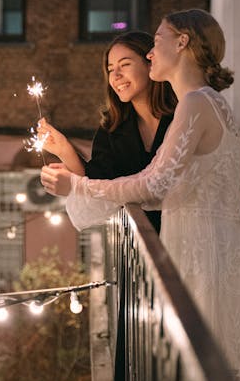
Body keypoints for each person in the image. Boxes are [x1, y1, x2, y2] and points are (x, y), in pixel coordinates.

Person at [41, 9, 240, 381]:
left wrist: (76, 184)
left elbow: (153, 186)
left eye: (156, 42)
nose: (152, 53)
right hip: (211, 250)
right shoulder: (205, 102)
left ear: (182, 42)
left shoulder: (196, 104)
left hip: (208, 256)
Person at [37, 30, 177, 233]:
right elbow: (99, 183)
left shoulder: (181, 116)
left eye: (125, 64)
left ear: (151, 63)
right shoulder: (113, 129)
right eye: (111, 69)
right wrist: (64, 151)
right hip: (144, 247)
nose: (116, 76)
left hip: (184, 231)